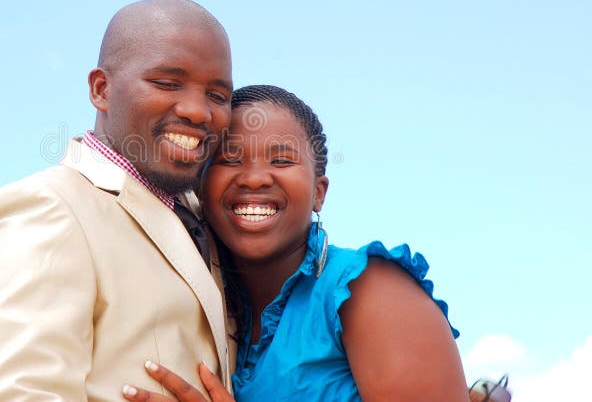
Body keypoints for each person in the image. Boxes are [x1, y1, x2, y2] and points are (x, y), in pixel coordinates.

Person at [0, 0, 235, 401]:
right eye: (167, 83)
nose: (197, 111)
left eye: (217, 94)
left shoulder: (200, 218)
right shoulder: (47, 207)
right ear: (101, 90)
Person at [122, 85, 468, 401]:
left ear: (319, 193)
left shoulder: (366, 290)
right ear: (200, 188)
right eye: (229, 160)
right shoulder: (208, 304)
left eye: (282, 160)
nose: (255, 178)